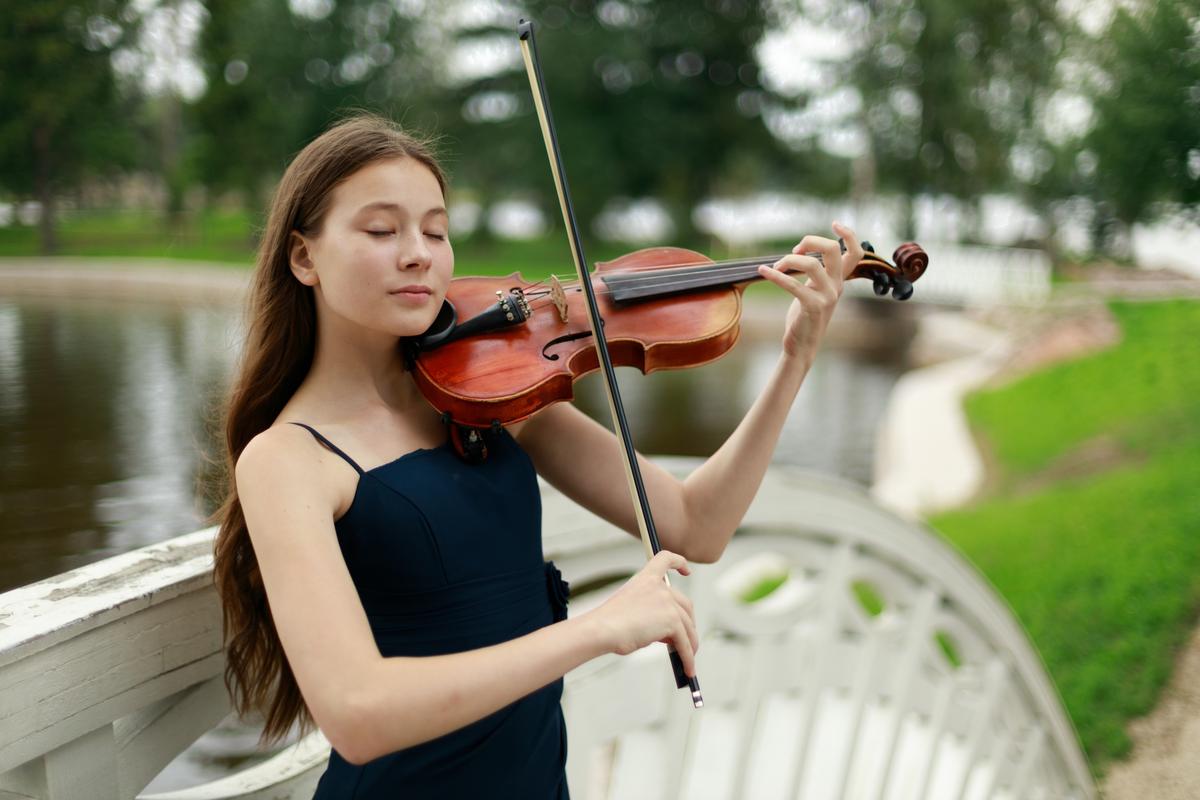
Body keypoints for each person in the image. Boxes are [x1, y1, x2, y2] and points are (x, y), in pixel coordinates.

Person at [212, 111, 863, 798]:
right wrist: (597, 630)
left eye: (436, 230)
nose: (419, 254)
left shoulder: (490, 397)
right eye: (381, 230)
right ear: (303, 256)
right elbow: (358, 714)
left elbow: (696, 526)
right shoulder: (287, 460)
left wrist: (795, 359)